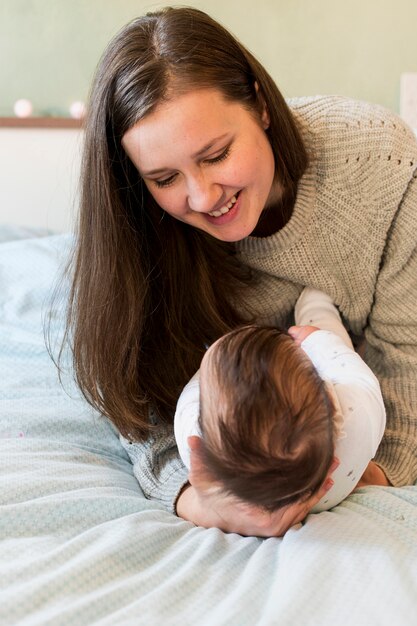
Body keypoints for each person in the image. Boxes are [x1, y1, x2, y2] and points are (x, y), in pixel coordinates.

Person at [63, 6, 417, 536]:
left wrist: (362, 472)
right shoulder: (139, 227)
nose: (202, 197)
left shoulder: (381, 164)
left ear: (261, 105)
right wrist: (199, 498)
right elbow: (138, 400)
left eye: (217, 153)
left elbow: (408, 357)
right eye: (164, 178)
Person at [174, 288, 386, 514]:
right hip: (336, 487)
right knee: (327, 328)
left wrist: (212, 363)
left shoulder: (196, 449)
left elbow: (193, 396)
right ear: (325, 393)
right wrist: (317, 339)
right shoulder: (356, 413)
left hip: (296, 505)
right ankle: (317, 305)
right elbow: (354, 373)